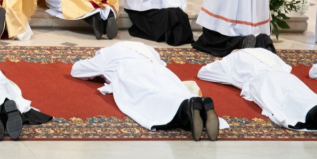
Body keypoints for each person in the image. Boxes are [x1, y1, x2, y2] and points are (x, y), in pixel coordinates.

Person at [72, 41, 226, 141]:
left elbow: (76, 70)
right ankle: (200, 106)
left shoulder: (106, 54)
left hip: (132, 71)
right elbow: (162, 64)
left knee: (151, 99)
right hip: (159, 70)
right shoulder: (146, 48)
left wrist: (97, 70)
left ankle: (188, 107)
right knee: (173, 89)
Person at [198, 48, 317, 140]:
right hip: (288, 77)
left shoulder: (235, 57)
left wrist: (228, 62)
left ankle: (316, 114)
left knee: (284, 103)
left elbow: (203, 73)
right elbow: (287, 68)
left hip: (263, 81)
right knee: (303, 95)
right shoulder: (265, 52)